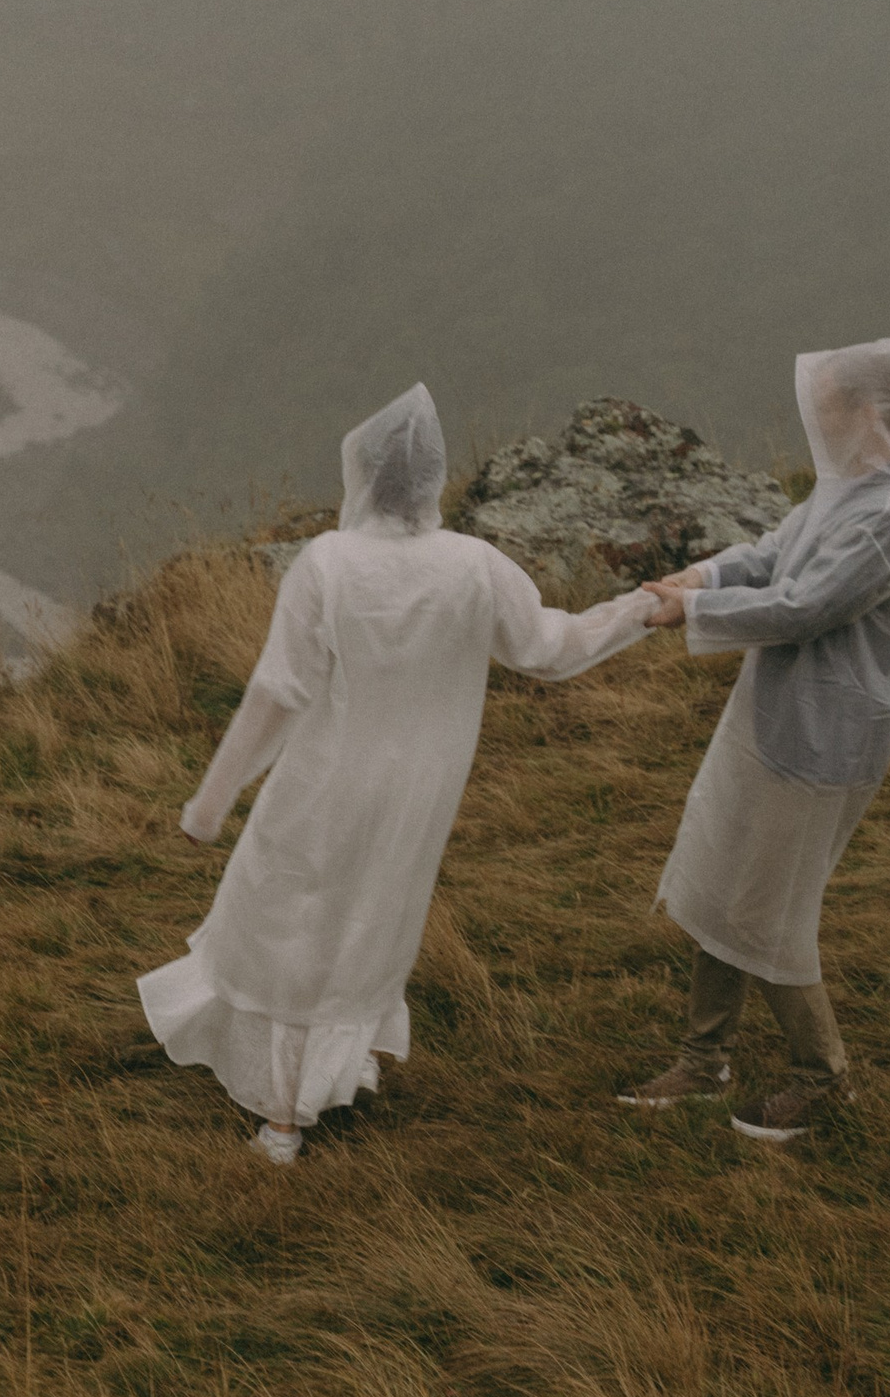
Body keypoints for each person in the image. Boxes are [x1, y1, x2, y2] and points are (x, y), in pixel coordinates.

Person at [140, 384, 662, 1166]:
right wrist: (644, 608)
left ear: (364, 477)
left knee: (289, 926)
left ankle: (282, 1121)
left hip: (325, 781)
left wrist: (209, 805)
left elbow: (280, 691)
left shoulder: (328, 563)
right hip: (420, 791)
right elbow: (550, 646)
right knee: (364, 924)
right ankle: (323, 1080)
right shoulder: (474, 566)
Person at [623, 329, 890, 1146]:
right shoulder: (850, 487)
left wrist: (693, 611)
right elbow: (772, 555)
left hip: (823, 743)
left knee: (770, 911)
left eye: (831, 407)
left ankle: (822, 1079)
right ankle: (704, 1060)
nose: (820, 422)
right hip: (778, 718)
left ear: (869, 412)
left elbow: (804, 605)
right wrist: (704, 577)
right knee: (721, 876)